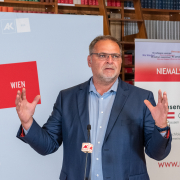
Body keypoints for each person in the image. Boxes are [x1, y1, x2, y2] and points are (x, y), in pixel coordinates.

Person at [16, 35, 171, 180]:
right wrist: (27, 121)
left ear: (121, 61)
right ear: (89, 61)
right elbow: (47, 145)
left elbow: (157, 153)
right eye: (102, 55)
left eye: (115, 56)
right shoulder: (67, 98)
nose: (110, 60)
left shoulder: (142, 99)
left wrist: (161, 127)